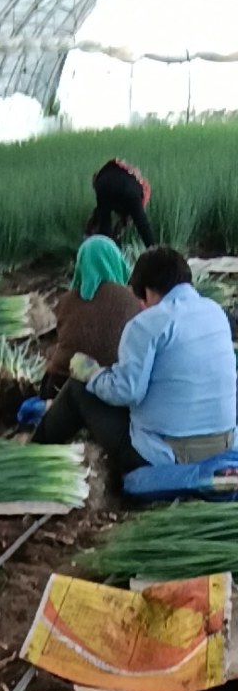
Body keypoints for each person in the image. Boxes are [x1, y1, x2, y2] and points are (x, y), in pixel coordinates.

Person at [33, 246, 237, 475]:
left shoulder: (147, 324)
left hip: (168, 454)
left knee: (78, 389)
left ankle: (34, 450)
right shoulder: (216, 312)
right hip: (224, 444)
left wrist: (91, 373)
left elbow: (126, 391)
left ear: (148, 291)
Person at [43, 236, 143, 396]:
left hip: (62, 384)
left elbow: (63, 339)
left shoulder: (67, 300)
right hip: (112, 387)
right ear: (116, 260)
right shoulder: (134, 301)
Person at [87, 159, 154, 249]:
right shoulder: (140, 183)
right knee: (142, 225)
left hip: (104, 184)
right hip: (130, 189)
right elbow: (134, 217)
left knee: (105, 224)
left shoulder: (105, 175)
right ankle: (155, 252)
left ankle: (106, 253)